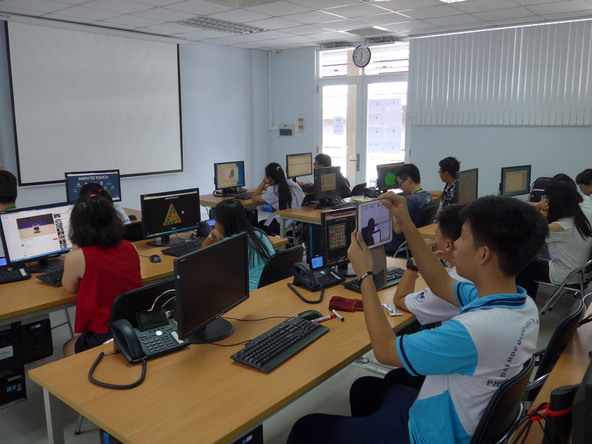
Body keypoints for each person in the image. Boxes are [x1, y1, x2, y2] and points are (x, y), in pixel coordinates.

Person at [288, 194, 547, 444]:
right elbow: (442, 283)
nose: (456, 243)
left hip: (428, 436)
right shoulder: (521, 304)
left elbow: (385, 351)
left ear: (484, 254)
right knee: (364, 388)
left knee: (306, 427)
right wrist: (406, 224)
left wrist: (365, 275)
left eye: (464, 238)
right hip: (456, 419)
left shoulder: (475, 331)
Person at [62, 191, 142, 355]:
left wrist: (74, 250)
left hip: (105, 333)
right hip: (134, 326)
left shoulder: (76, 257)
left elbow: (70, 288)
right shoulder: (130, 247)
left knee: (67, 346)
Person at [517, 180, 592, 298]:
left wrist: (537, 211)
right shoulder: (579, 217)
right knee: (531, 262)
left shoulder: (560, 227)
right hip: (580, 271)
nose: (544, 201)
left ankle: (524, 301)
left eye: (546, 198)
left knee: (521, 267)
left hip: (566, 274)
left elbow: (527, 235)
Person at [202, 199, 274, 291]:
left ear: (224, 223)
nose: (215, 225)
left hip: (250, 293)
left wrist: (212, 234)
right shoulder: (259, 234)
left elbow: (204, 254)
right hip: (270, 287)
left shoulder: (230, 244)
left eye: (216, 222)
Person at [386, 163, 435, 254]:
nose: (401, 188)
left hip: (399, 245)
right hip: (415, 241)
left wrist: (391, 208)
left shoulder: (410, 201)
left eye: (400, 184)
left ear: (408, 181)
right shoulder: (429, 197)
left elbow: (397, 229)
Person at [252, 162, 304, 235]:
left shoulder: (273, 191)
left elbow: (254, 197)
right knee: (271, 217)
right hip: (297, 221)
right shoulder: (293, 184)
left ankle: (271, 241)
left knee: (261, 224)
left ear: (269, 178)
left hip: (286, 223)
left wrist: (263, 182)